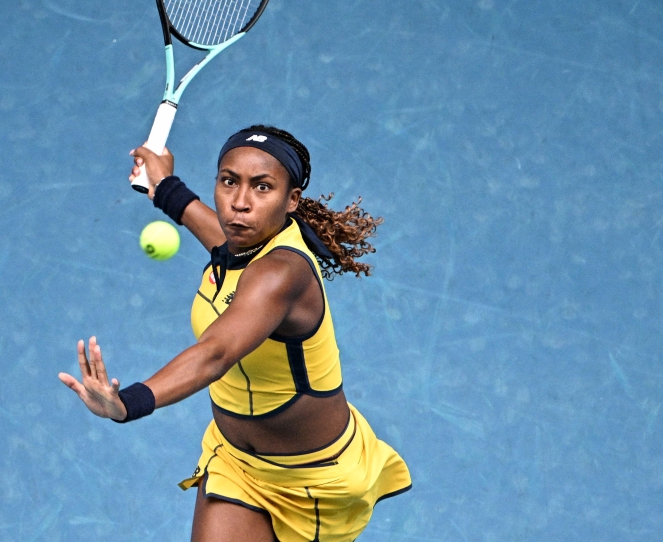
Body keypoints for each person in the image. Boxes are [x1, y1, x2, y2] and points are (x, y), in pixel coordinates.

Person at [59, 125, 411, 542]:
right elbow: (219, 237)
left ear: (291, 200)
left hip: (311, 482)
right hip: (236, 462)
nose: (239, 204)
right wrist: (165, 187)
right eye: (229, 182)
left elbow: (215, 353)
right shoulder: (246, 244)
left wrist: (128, 403)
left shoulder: (281, 274)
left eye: (262, 187)